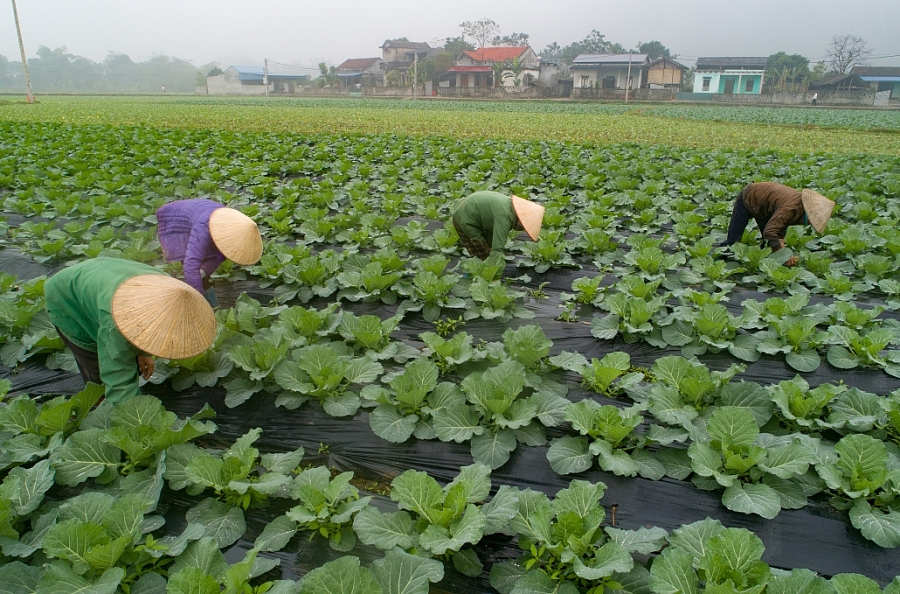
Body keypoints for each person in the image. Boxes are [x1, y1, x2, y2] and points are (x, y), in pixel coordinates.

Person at [45, 257, 217, 403]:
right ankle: (100, 410)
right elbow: (118, 380)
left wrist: (143, 352)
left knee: (126, 356)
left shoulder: (171, 288)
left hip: (104, 276)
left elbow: (151, 325)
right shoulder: (115, 325)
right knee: (98, 374)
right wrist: (132, 421)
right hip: (67, 300)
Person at [156, 199, 263, 306]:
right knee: (191, 266)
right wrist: (199, 301)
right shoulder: (203, 228)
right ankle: (194, 302)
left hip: (201, 213)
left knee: (201, 275)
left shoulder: (232, 227)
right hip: (175, 219)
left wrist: (203, 272)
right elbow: (191, 265)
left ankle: (206, 296)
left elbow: (219, 257)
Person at [718, 182, 835, 266]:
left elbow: (780, 226)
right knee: (733, 241)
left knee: (770, 244)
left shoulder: (799, 206)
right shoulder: (792, 208)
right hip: (749, 196)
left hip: (764, 206)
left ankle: (765, 261)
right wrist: (783, 255)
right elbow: (771, 231)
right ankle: (720, 260)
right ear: (809, 213)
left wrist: (783, 252)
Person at [451, 191, 545, 260]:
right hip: (463, 217)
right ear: (520, 220)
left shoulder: (508, 204)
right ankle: (479, 275)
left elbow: (491, 233)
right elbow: (497, 248)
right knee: (480, 250)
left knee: (487, 247)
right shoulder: (504, 216)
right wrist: (495, 267)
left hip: (469, 210)